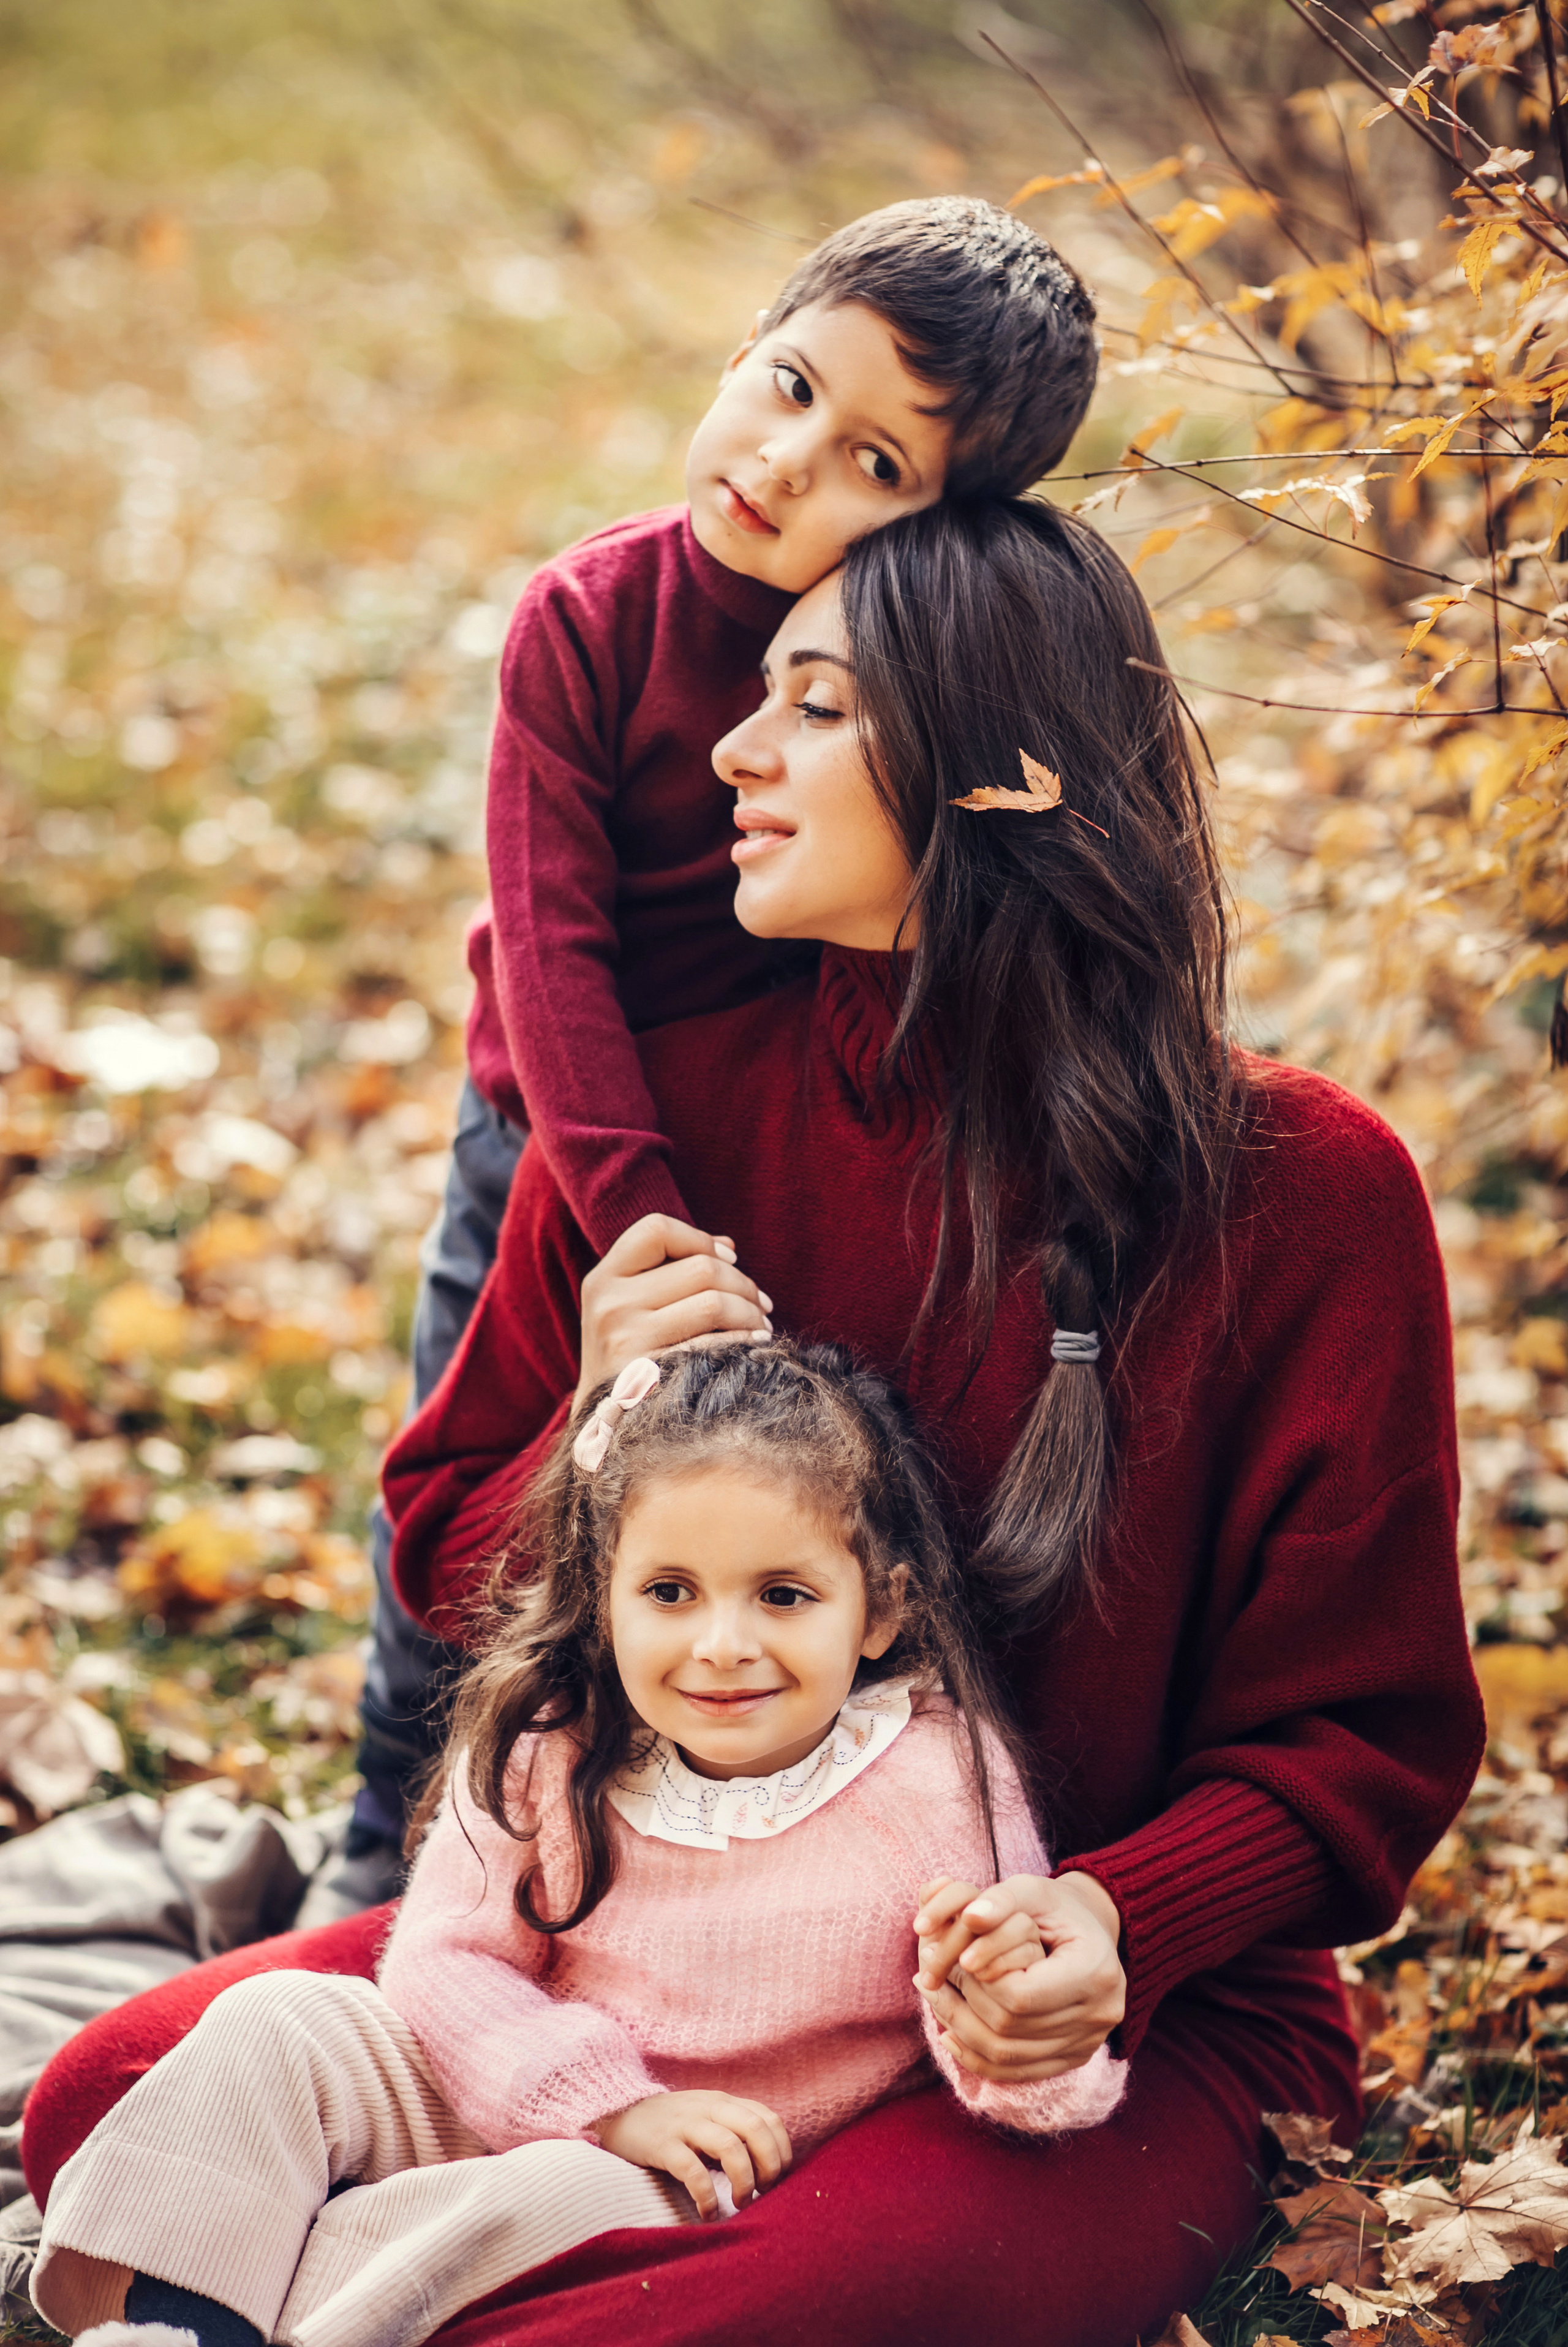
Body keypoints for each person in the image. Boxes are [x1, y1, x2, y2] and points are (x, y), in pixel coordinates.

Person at [25, 497, 1484, 2346]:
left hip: (1080, 2031)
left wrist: (1114, 1926)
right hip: (639, 1951)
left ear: (994, 773)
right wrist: (583, 1436)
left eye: (812, 705)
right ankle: (485, 2241)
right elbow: (451, 1541)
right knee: (114, 2098)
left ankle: (384, 2281)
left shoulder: (1305, 1193)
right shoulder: (669, 1120)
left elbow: (1365, 1737)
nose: (733, 746)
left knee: (655, 2313)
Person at [342, 195, 1100, 1888]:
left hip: (778, 1098)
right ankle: (379, 1839)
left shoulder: (882, 668)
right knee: (500, 1440)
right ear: (745, 347)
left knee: (746, 1480)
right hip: (562, 1123)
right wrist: (629, 1213)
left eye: (877, 466)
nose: (790, 461)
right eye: (785, 385)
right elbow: (552, 946)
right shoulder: (590, 617)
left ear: (931, 531)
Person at [32, 1343, 1123, 2347]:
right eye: (669, 1593)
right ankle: (176, 2326)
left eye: (785, 1596)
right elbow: (445, 1964)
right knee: (276, 2022)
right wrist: (606, 2102)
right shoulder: (555, 1744)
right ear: (605, 1602)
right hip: (524, 2079)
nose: (723, 1644)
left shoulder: (934, 1779)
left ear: (879, 1614)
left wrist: (1023, 2039)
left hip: (701, 2177)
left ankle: (264, 2298)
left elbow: (1010, 2028)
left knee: (551, 2198)